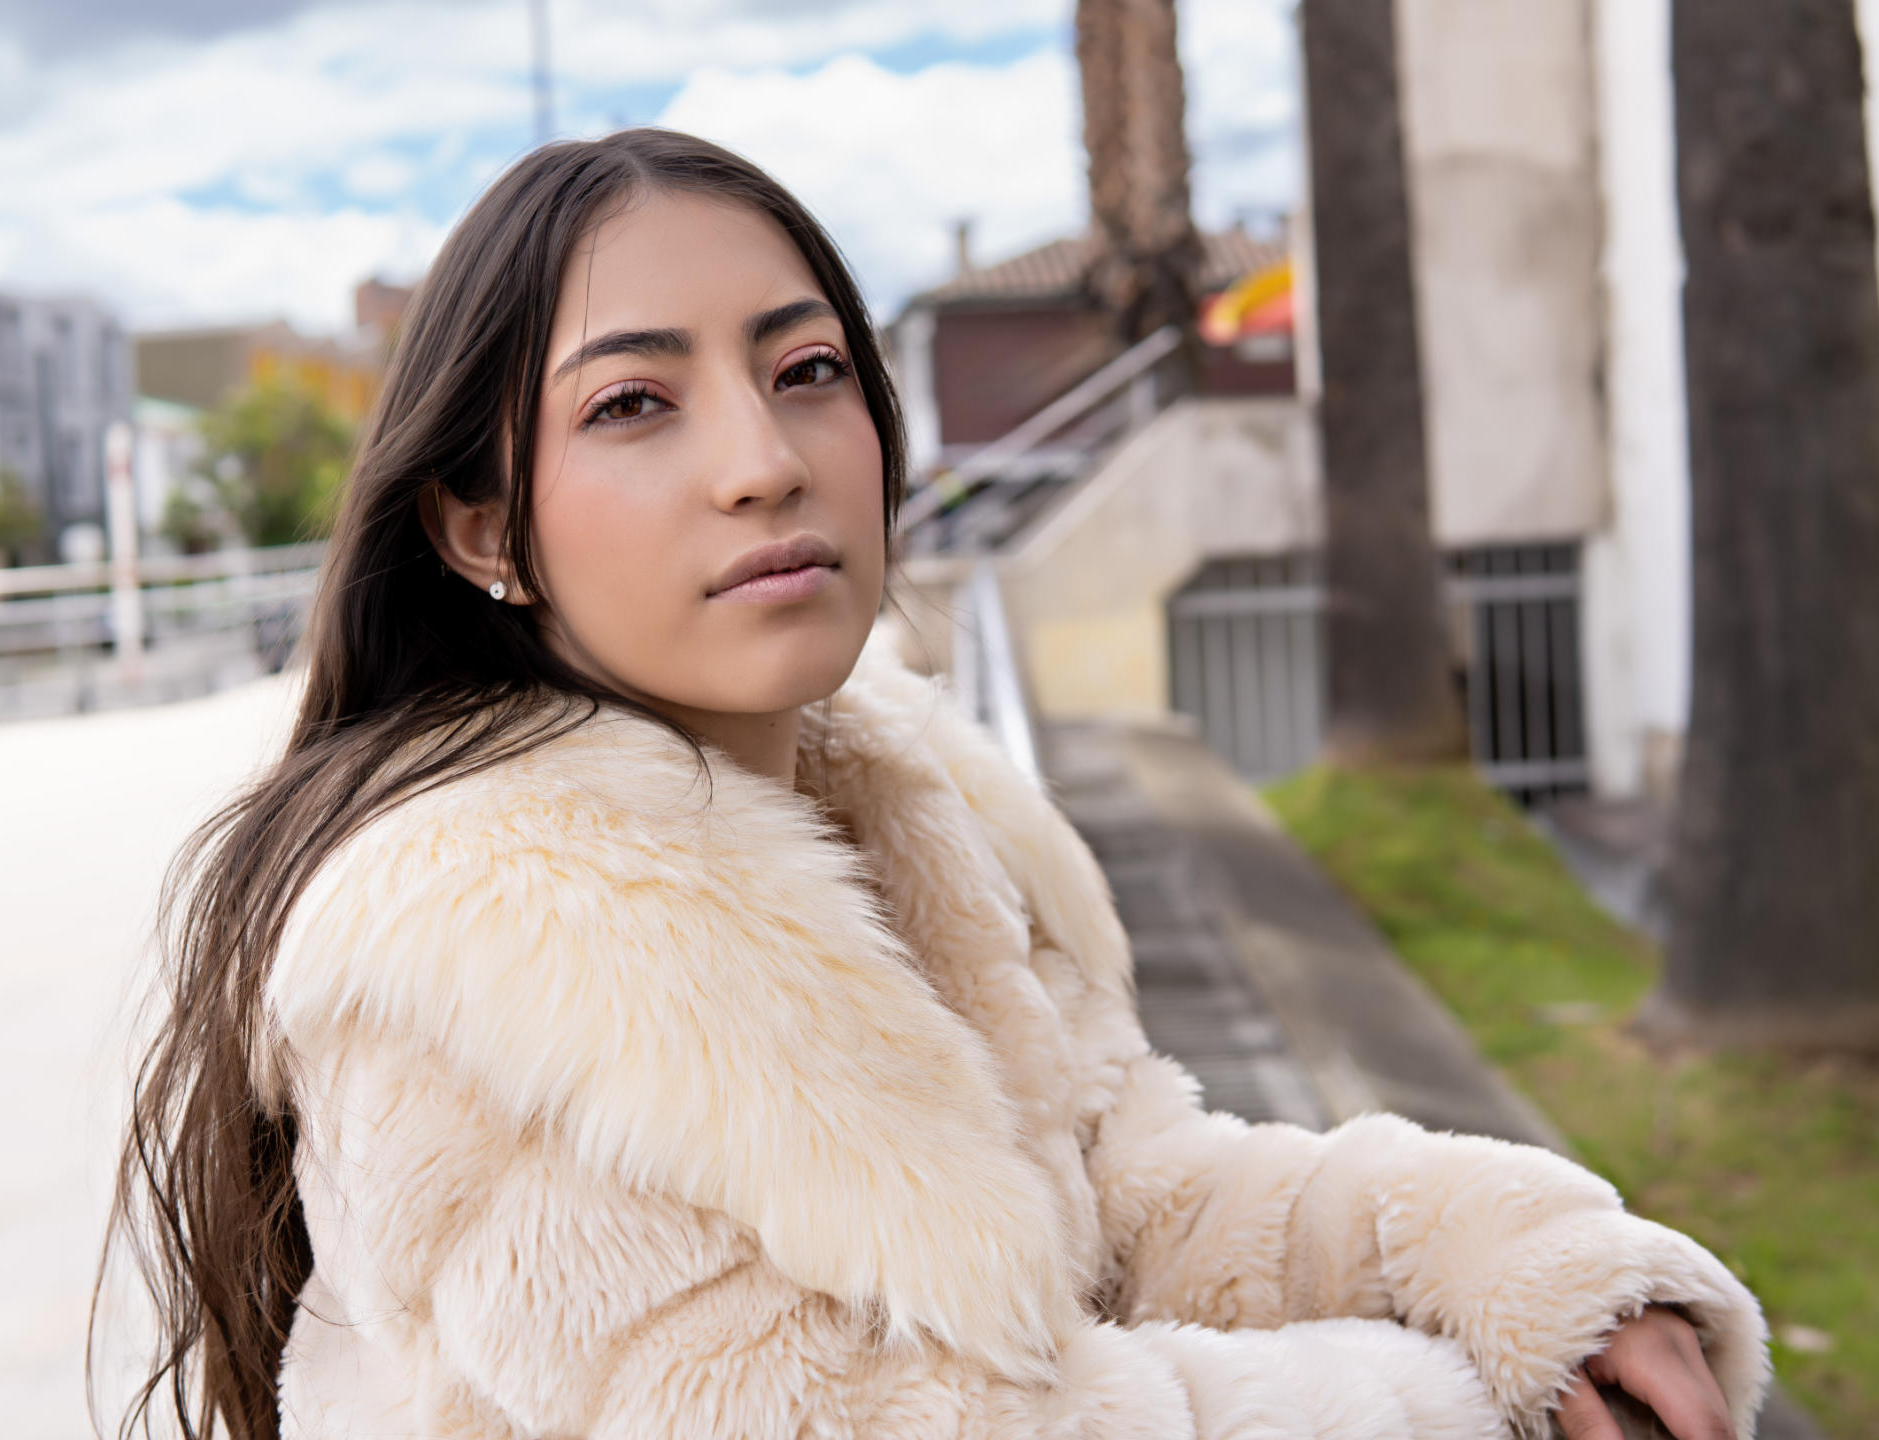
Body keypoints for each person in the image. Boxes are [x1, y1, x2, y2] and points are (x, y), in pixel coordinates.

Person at [105, 129, 1767, 1440]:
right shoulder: (475, 961)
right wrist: (1463, 1407)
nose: (763, 461)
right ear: (485, 528)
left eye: (806, 370)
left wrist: (1530, 1273)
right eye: (635, 403)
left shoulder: (903, 805)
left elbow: (1130, 1200)